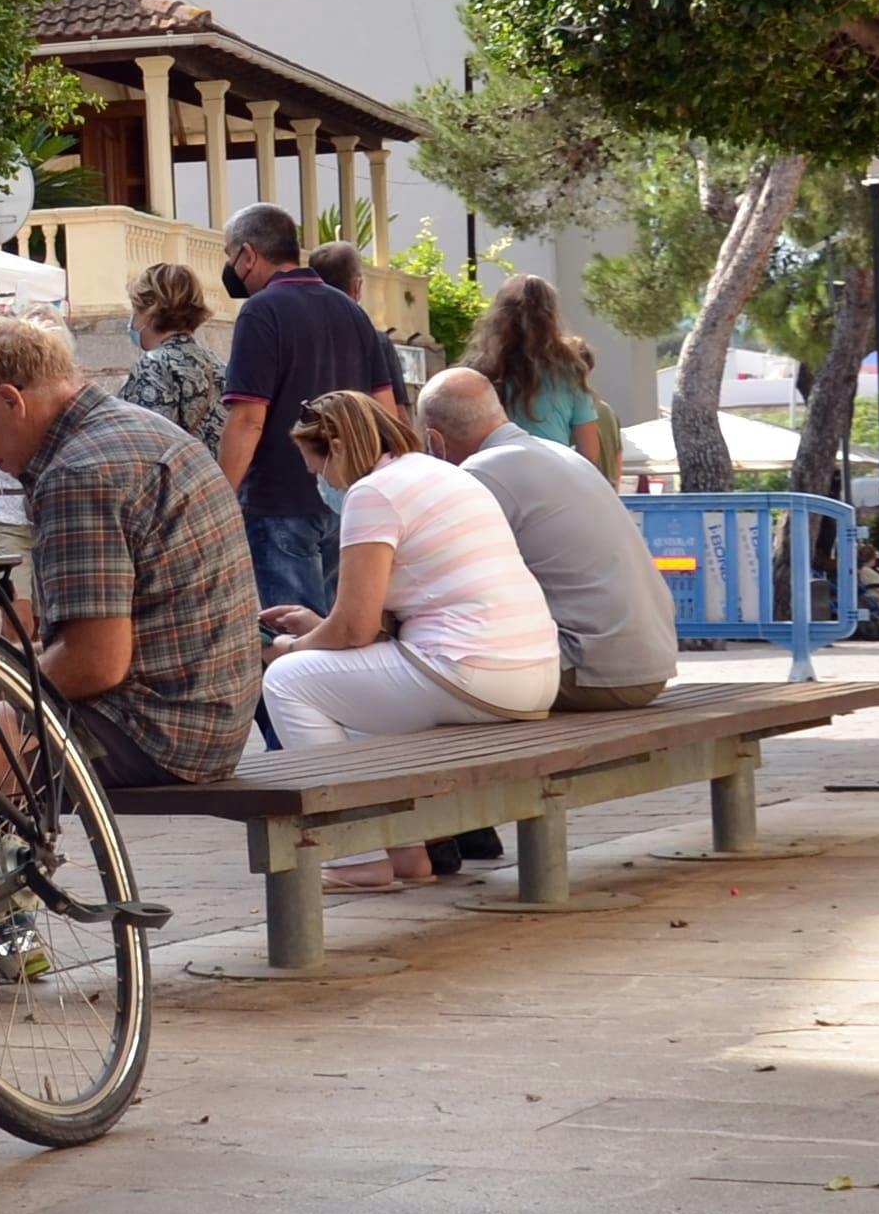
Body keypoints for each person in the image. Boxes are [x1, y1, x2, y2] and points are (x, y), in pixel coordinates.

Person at [0, 313, 261, 790]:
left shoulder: (77, 472)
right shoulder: (131, 428)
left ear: (10, 400)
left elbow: (95, 663)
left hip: (155, 732)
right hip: (210, 719)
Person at [258, 388, 562, 885]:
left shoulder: (372, 492)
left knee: (290, 681)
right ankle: (406, 857)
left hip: (471, 669)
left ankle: (354, 859)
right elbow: (379, 618)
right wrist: (319, 629)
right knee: (353, 708)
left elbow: (355, 628)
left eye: (314, 464)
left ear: (334, 447)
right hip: (531, 671)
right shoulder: (438, 473)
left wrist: (287, 648)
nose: (317, 479)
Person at [420, 368, 680, 710]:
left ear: (436, 441)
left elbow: (439, 583)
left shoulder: (480, 474)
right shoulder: (562, 455)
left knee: (419, 670)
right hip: (649, 665)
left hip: (590, 672)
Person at [219, 203, 400, 614]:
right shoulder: (352, 311)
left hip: (278, 502)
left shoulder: (261, 312)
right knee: (339, 635)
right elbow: (384, 410)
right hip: (347, 500)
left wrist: (220, 498)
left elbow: (247, 420)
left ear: (248, 255)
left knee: (291, 641)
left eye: (231, 257)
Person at [465, 277, 612, 468]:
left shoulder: (481, 369)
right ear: (551, 317)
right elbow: (589, 450)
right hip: (552, 473)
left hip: (498, 474)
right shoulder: (569, 368)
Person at [116, 261, 222, 435]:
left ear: (149, 311)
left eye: (135, 308)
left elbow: (147, 441)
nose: (132, 319)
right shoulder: (216, 363)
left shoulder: (155, 365)